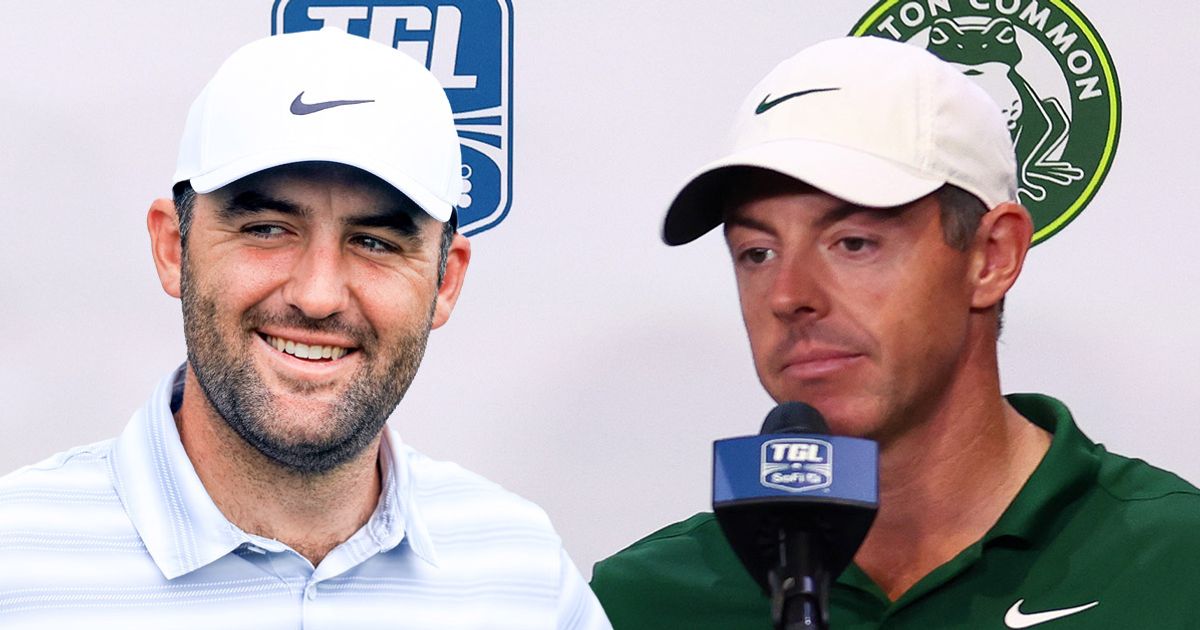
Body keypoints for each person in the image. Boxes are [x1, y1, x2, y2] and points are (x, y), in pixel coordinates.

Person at [0, 28, 610, 629]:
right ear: (172, 248)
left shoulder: (523, 574)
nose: (317, 297)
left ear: (445, 281)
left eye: (374, 242)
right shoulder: (15, 562)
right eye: (267, 229)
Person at [590, 36, 1200, 629]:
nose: (788, 296)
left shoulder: (1178, 567)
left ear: (992, 256)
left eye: (853, 243)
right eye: (757, 252)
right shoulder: (638, 604)